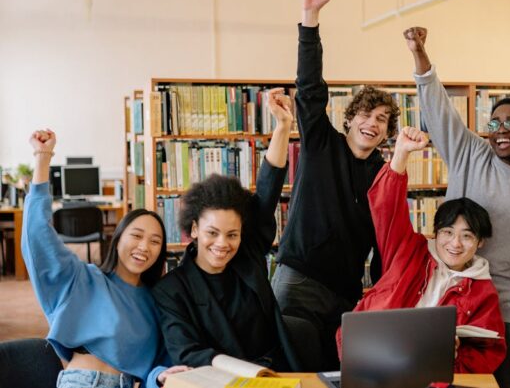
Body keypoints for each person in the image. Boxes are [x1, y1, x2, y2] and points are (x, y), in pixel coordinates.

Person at [404, 27, 510, 388]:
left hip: (501, 304)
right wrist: (420, 54)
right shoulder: (470, 153)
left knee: (502, 384)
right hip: (451, 295)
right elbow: (438, 108)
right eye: (494, 123)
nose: (501, 130)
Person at [270, 0, 401, 370]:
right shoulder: (321, 142)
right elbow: (310, 88)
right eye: (366, 114)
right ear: (350, 118)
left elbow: (386, 240)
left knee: (336, 374)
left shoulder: (384, 174)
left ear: (387, 131)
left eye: (381, 119)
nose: (372, 123)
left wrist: (380, 296)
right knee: (289, 371)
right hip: (298, 281)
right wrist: (310, 19)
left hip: (346, 293)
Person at [22, 129, 187, 388]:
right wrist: (42, 157)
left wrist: (158, 376)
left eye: (155, 241)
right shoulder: (84, 278)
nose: (144, 246)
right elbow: (37, 235)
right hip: (83, 381)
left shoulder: (156, 302)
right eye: (136, 235)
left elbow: (157, 366)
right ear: (117, 238)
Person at [151, 88, 302, 370]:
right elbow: (184, 351)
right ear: (194, 229)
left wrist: (283, 127)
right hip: (218, 379)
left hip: (277, 374)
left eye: (232, 234)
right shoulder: (171, 290)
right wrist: (241, 368)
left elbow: (268, 190)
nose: (222, 244)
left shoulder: (248, 256)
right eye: (212, 232)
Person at [336, 126, 506, 372]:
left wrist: (453, 359)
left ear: (480, 242)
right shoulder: (408, 250)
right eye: (447, 233)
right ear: (435, 233)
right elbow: (387, 208)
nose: (455, 244)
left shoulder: (483, 290)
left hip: (430, 374)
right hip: (372, 359)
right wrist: (402, 153)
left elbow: (489, 352)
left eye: (467, 236)